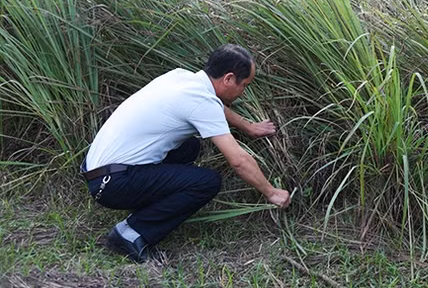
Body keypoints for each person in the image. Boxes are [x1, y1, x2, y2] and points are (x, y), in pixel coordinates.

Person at [81, 43, 291, 262]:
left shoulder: (180, 77)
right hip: (112, 184)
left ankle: (149, 207)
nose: (243, 92)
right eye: (244, 85)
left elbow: (214, 105)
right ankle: (130, 234)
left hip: (98, 170)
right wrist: (271, 192)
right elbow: (238, 161)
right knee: (206, 182)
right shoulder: (200, 101)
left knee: (189, 147)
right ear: (228, 79)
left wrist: (247, 126)